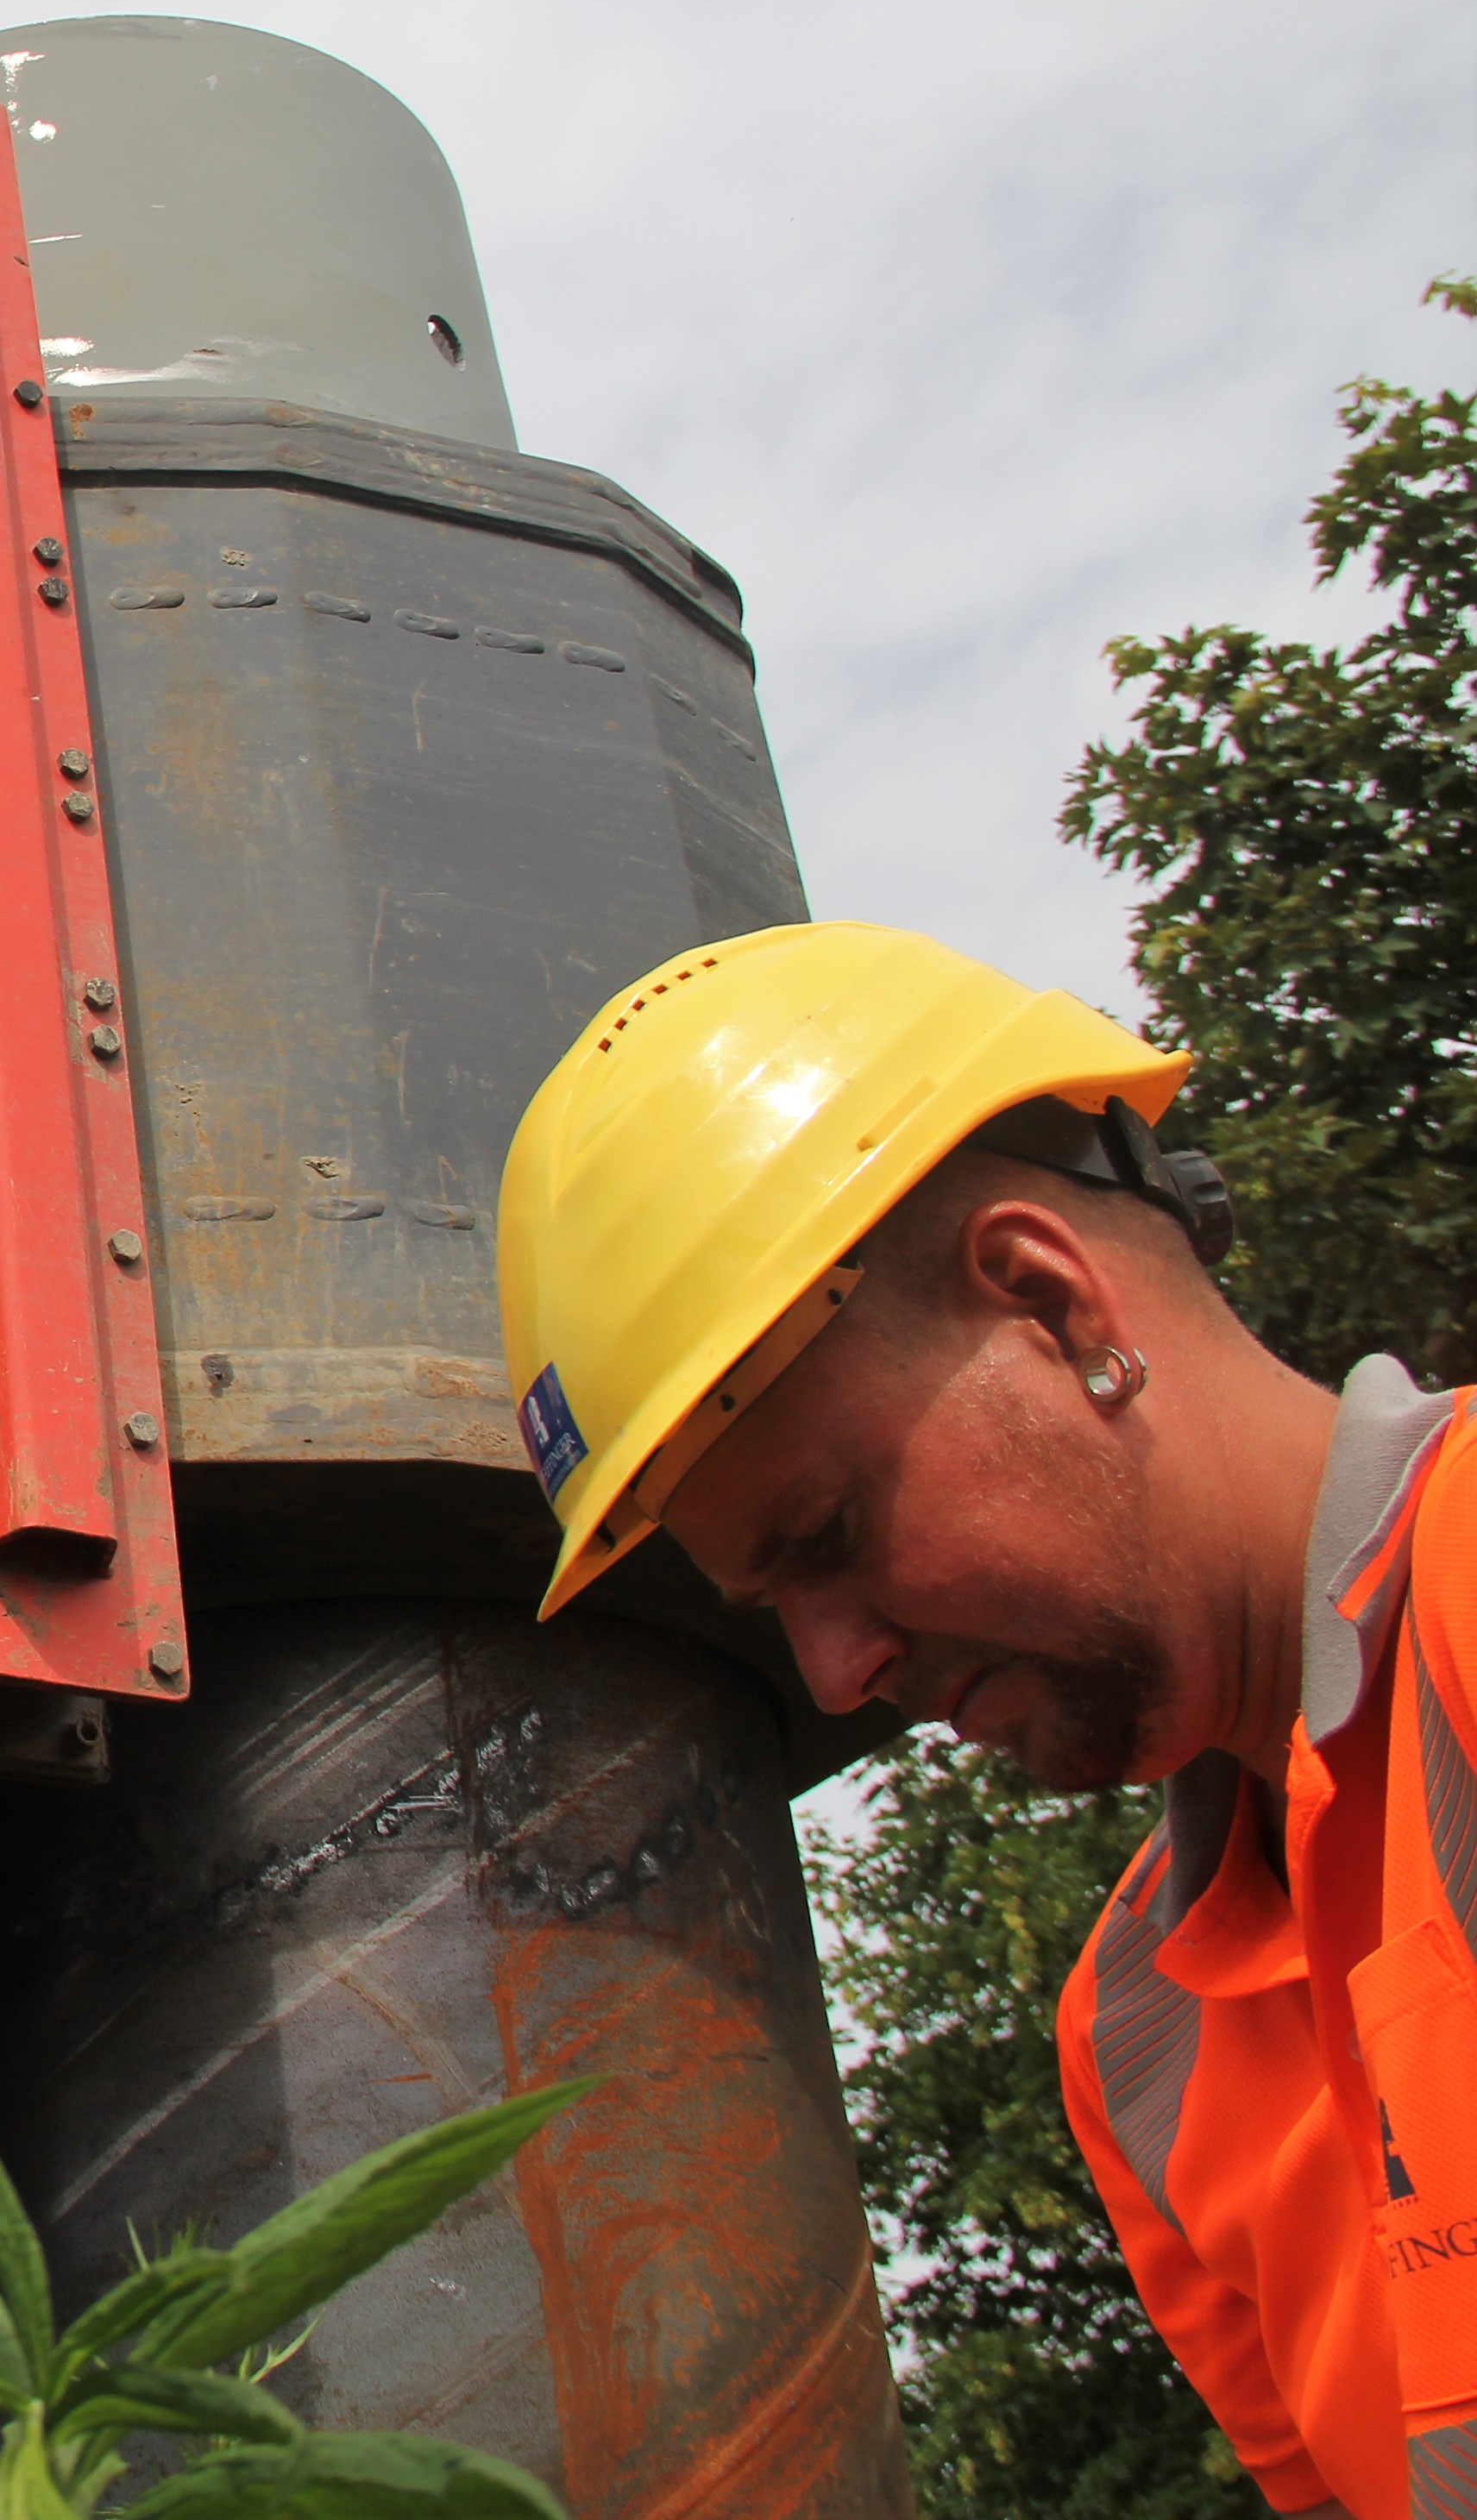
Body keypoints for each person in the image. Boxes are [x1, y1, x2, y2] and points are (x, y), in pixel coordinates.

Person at [496, 921, 1468, 2520]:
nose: (832, 1671)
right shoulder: (1139, 2038)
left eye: (826, 1537)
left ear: (1052, 1303)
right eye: (775, 1608)